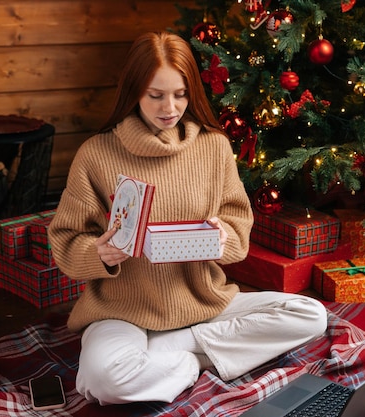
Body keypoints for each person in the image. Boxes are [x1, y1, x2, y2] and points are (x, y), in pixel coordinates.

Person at [48, 31, 328, 406]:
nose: (170, 107)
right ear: (134, 92)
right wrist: (98, 254)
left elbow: (237, 228)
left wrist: (221, 236)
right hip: (121, 311)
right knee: (103, 381)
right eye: (156, 95)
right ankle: (195, 362)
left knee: (310, 315)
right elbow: (65, 240)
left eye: (180, 94)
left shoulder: (213, 147)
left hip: (204, 302)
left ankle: (172, 350)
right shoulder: (96, 154)